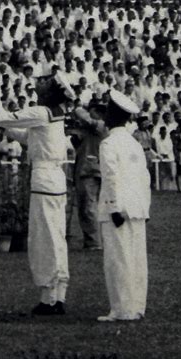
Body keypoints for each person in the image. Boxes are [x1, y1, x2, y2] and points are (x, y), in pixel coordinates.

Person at [0, 73, 75, 316]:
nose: (40, 84)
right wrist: (8, 128)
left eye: (45, 83)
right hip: (55, 179)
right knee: (56, 237)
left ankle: (49, 298)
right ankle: (58, 294)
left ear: (51, 92)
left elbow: (1, 116)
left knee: (44, 238)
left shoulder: (41, 112)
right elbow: (31, 137)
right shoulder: (54, 114)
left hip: (45, 179)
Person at [97, 89, 150, 322]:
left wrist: (113, 207)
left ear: (112, 116)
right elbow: (144, 178)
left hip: (119, 209)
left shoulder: (109, 143)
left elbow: (110, 176)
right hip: (137, 207)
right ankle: (136, 306)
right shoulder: (134, 143)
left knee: (118, 259)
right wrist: (144, 207)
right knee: (136, 259)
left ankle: (121, 309)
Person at [72, 100, 108, 250]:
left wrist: (79, 106)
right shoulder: (93, 129)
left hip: (91, 171)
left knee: (89, 207)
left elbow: (82, 114)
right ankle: (91, 240)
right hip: (88, 169)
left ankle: (94, 242)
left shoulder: (100, 125)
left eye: (91, 110)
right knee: (86, 207)